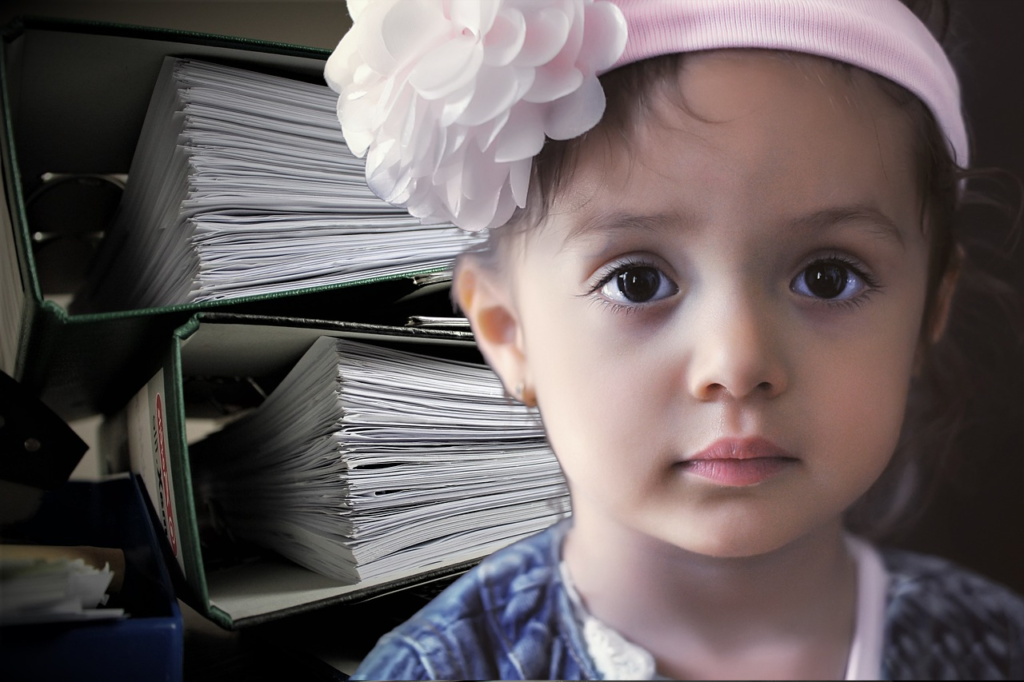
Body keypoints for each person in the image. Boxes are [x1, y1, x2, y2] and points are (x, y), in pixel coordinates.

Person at [325, 0, 1024, 678]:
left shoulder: (995, 648)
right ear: (510, 335)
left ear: (931, 308)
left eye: (828, 276)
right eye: (637, 282)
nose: (737, 363)